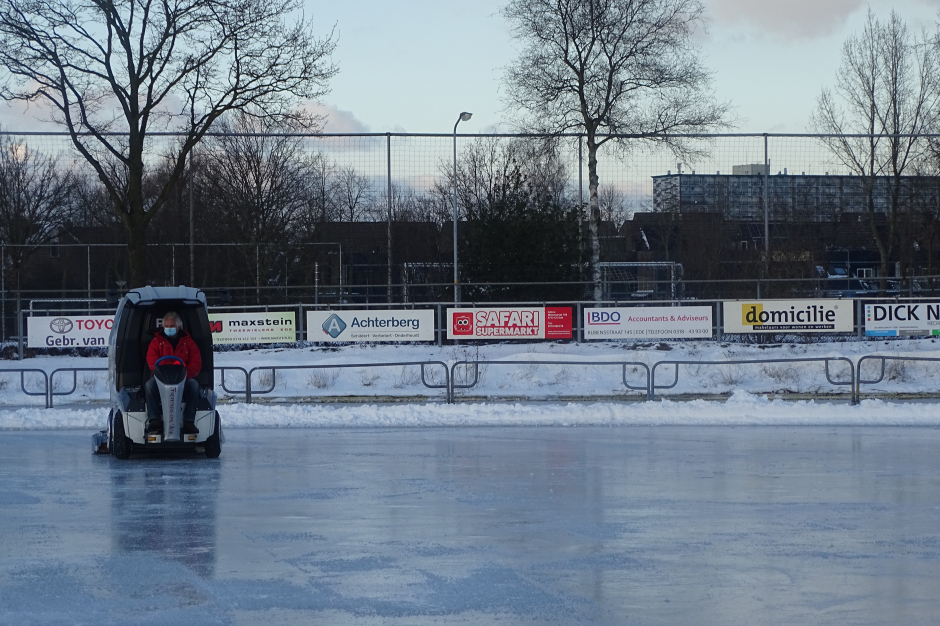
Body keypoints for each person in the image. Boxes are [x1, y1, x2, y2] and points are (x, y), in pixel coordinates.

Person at [145, 311, 202, 434]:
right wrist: (164, 373)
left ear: (179, 327)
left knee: (194, 386)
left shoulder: (189, 343)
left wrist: (184, 374)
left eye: (172, 326)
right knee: (149, 385)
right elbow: (151, 361)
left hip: (183, 379)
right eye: (167, 326)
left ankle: (189, 421)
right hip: (161, 379)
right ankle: (154, 420)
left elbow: (196, 362)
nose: (169, 329)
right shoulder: (156, 342)